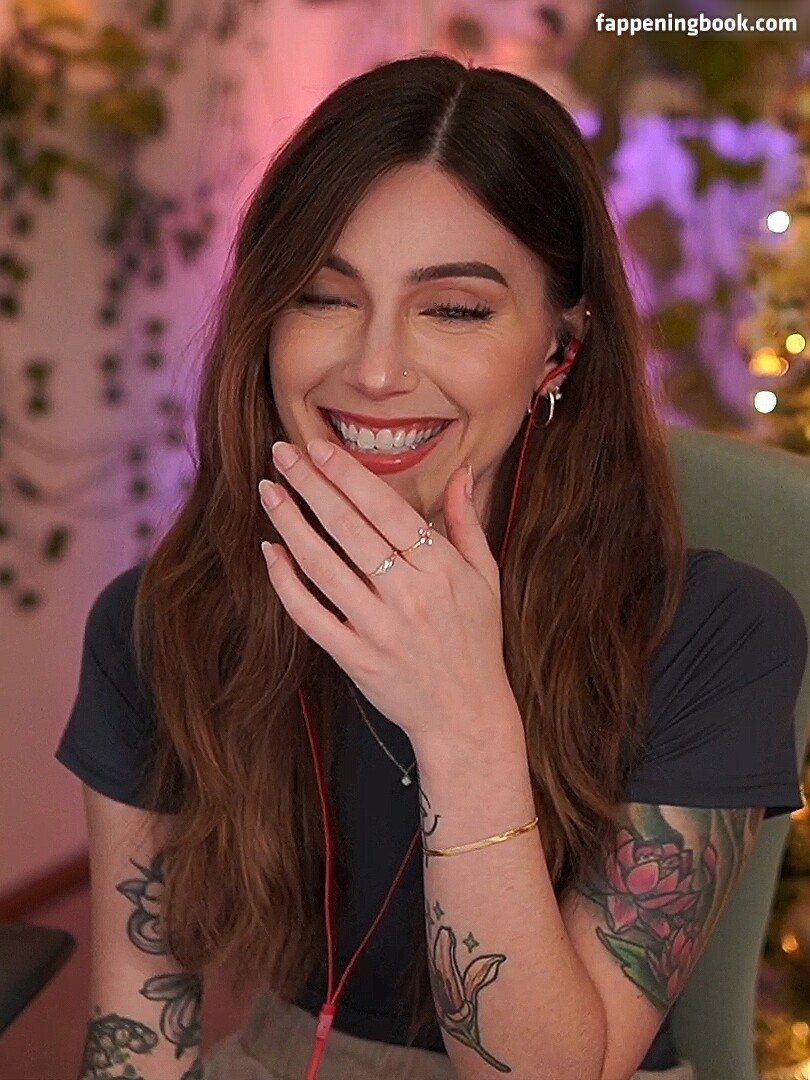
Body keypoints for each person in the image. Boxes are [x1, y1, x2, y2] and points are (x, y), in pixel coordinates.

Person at [55, 53, 807, 1080]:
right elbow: (137, 1034)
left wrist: (462, 719)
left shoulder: (720, 632)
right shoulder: (162, 620)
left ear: (560, 349)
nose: (374, 370)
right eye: (323, 296)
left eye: (454, 310)